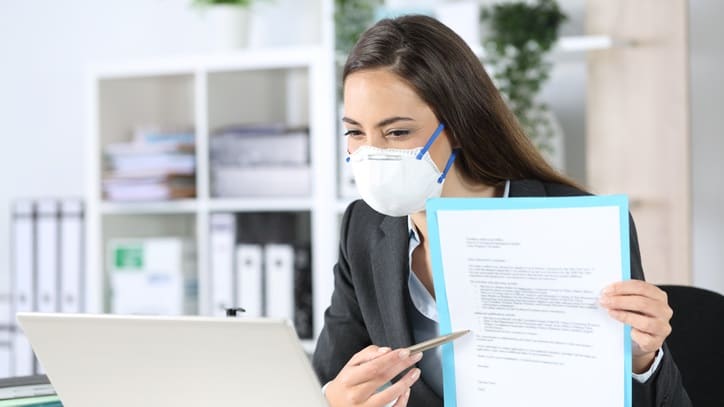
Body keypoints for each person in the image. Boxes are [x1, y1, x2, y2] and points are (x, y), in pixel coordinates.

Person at [312, 14, 691, 407]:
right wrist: (332, 399)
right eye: (356, 132)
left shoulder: (576, 225)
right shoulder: (363, 227)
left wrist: (643, 357)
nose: (374, 154)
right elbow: (326, 377)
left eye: (398, 132)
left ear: (458, 125)